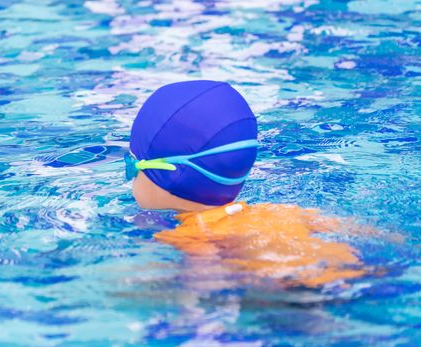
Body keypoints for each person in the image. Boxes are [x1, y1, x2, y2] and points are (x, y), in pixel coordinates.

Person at [125, 80, 366, 288]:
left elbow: (207, 294)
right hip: (358, 269)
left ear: (168, 173)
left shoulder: (195, 236)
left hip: (299, 289)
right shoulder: (281, 212)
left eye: (131, 165)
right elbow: (364, 232)